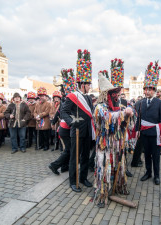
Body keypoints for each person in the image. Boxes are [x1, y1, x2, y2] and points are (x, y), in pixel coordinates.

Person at [93, 72, 134, 207]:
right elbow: (108, 117)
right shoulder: (99, 107)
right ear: (106, 95)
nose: (116, 96)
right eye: (113, 94)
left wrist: (129, 115)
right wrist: (123, 114)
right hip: (104, 145)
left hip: (117, 144)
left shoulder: (117, 107)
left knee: (119, 166)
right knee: (104, 168)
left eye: (116, 94)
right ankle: (102, 194)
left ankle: (118, 186)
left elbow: (124, 121)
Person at [61, 49, 94, 192]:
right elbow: (64, 111)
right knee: (75, 157)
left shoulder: (87, 97)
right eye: (88, 84)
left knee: (86, 156)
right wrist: (70, 122)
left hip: (87, 131)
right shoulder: (72, 96)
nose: (90, 87)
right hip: (77, 130)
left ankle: (83, 177)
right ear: (83, 84)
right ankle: (73, 181)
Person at [136, 61, 161, 185]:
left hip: (155, 134)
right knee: (147, 154)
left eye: (149, 90)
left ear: (154, 91)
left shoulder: (160, 103)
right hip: (144, 133)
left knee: (156, 156)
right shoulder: (142, 102)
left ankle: (157, 175)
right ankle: (148, 172)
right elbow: (139, 117)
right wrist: (138, 130)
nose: (147, 92)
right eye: (145, 90)